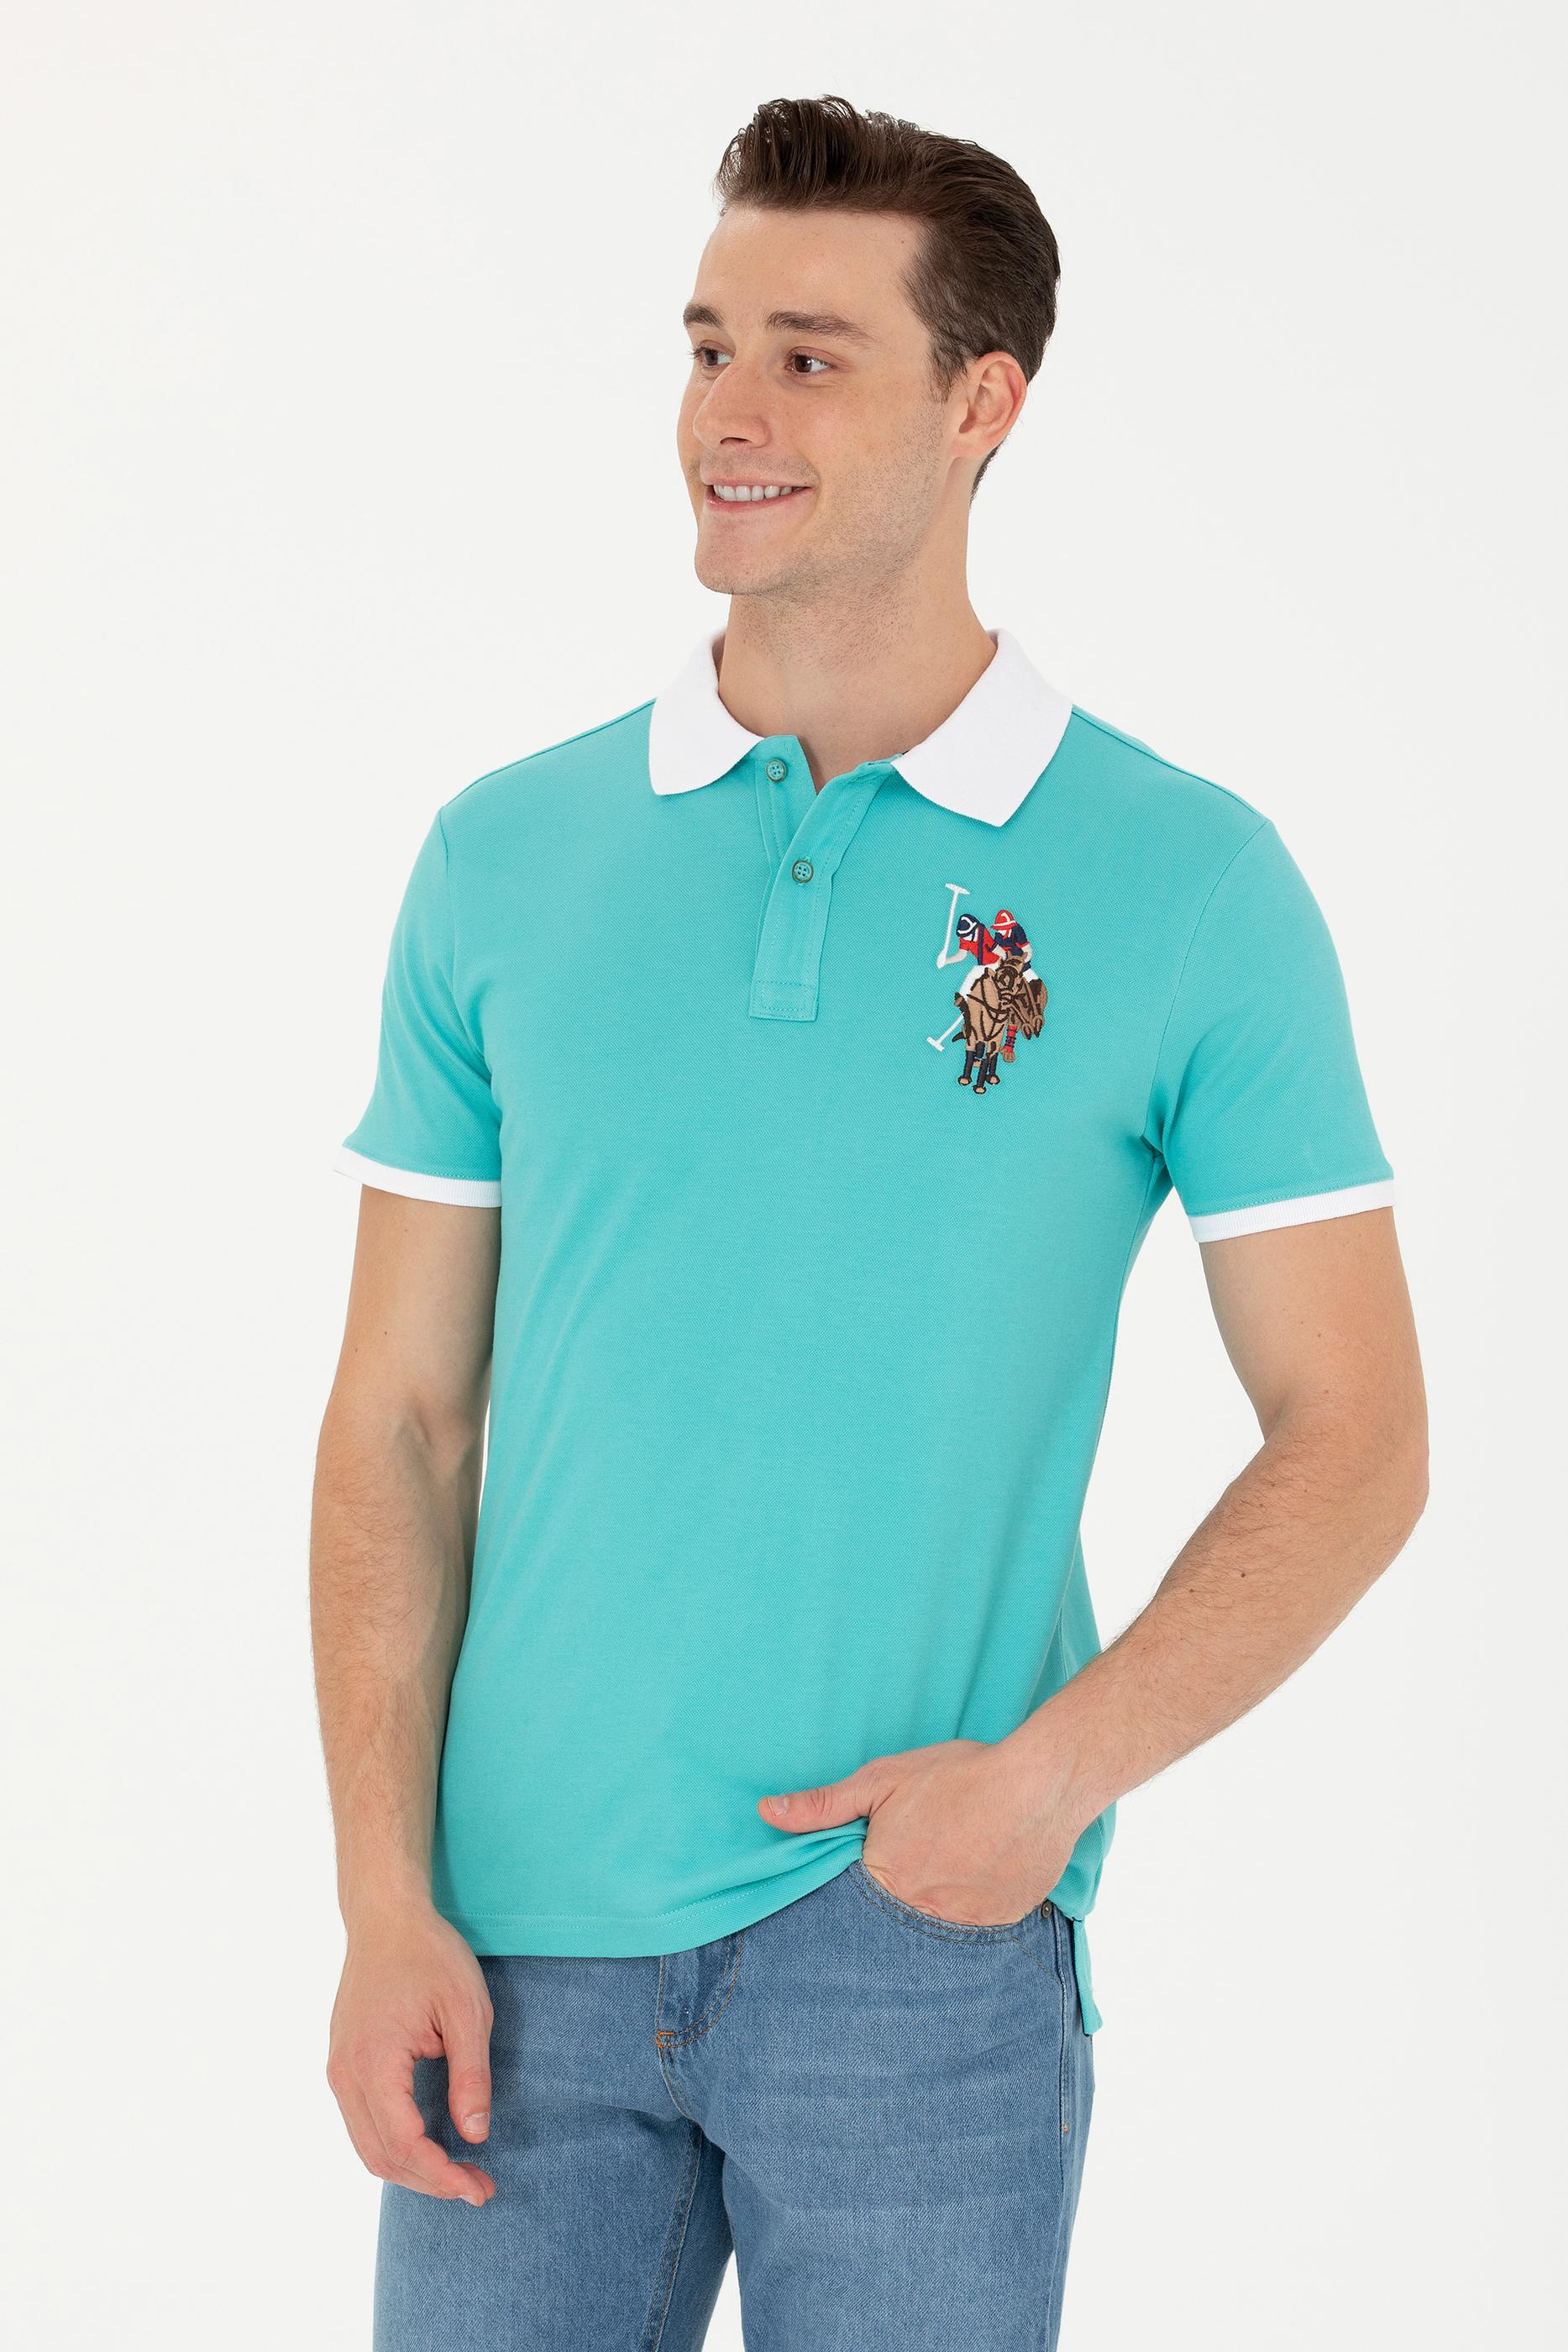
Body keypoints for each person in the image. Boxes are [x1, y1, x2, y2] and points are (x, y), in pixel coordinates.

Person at [312, 93, 1427, 2351]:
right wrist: (381, 1901)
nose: (727, 413)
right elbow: (401, 1422)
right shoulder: (504, 860)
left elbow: (1358, 1433)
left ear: (980, 403)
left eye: (810, 358)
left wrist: (1049, 1784)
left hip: (914, 1943)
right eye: (709, 345)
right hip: (512, 1954)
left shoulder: (1189, 884)